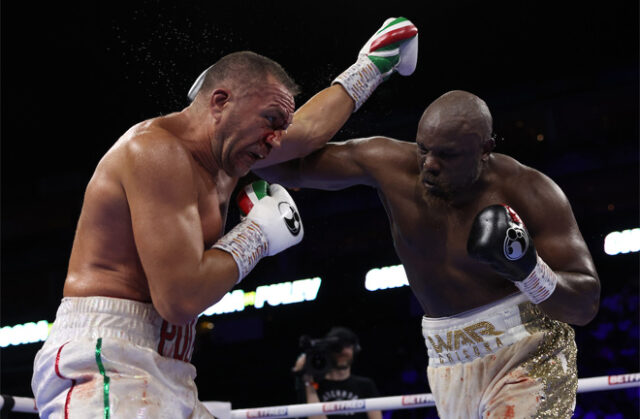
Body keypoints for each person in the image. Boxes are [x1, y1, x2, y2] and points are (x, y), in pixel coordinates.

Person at [30, 17, 419, 419]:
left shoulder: (230, 156)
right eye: (270, 120)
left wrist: (373, 64)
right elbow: (179, 298)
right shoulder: (157, 152)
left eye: (279, 127)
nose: (276, 140)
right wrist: (257, 234)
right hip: (108, 356)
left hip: (167, 365)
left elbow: (308, 131)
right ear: (220, 102)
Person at [256, 90, 601, 418]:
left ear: (485, 149)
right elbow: (279, 163)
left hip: (528, 350)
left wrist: (529, 270)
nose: (429, 165)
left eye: (447, 155)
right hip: (446, 359)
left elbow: (585, 304)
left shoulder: (529, 191)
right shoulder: (389, 165)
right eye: (424, 149)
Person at [292, 327, 382, 419]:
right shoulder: (314, 386)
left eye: (347, 346)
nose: (342, 351)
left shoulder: (365, 385)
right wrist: (307, 379)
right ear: (328, 351)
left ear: (355, 349)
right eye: (336, 347)